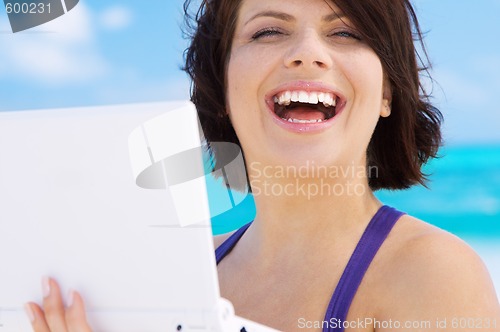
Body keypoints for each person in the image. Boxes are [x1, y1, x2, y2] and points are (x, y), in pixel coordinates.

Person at [25, 0, 500, 331]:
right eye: (268, 30)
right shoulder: (178, 270)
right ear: (223, 88)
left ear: (386, 93)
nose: (307, 52)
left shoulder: (432, 275)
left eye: (347, 32)